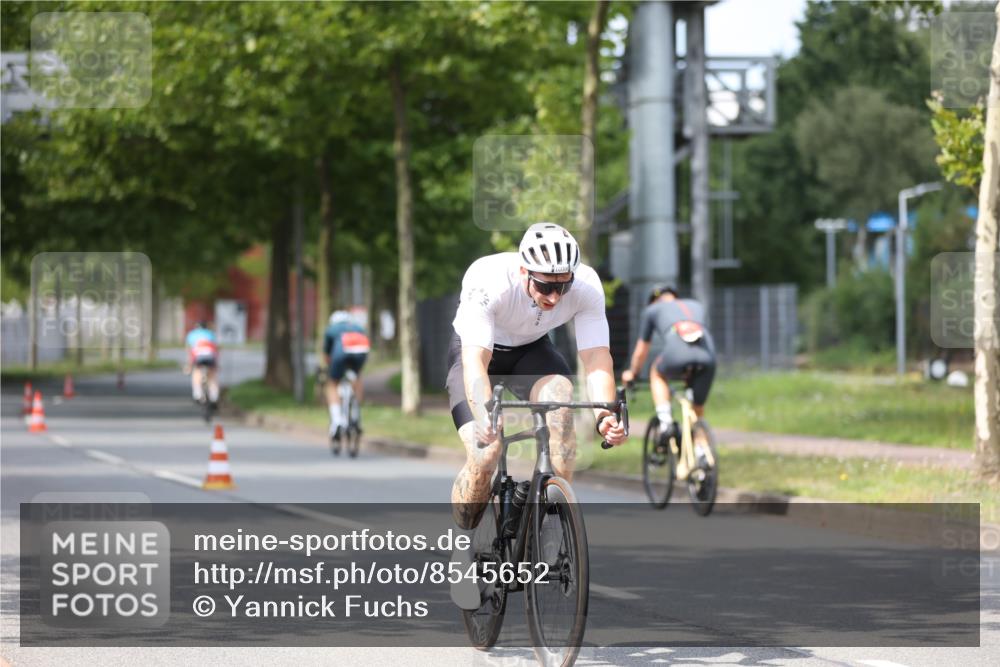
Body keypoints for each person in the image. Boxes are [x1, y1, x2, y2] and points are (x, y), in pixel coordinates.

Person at [447, 222, 628, 609]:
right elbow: (476, 362)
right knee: (485, 453)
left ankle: (549, 522)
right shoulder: (488, 280)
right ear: (523, 272)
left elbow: (597, 358)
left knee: (562, 403)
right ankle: (462, 553)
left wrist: (604, 415)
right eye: (545, 286)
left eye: (561, 287)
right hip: (479, 353)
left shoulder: (586, 286)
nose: (553, 297)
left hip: (531, 351)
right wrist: (484, 416)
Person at [621, 285, 717, 445]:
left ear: (653, 301)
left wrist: (633, 372)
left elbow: (641, 350)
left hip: (677, 354)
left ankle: (665, 422)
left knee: (657, 371)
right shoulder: (696, 305)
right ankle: (703, 455)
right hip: (708, 357)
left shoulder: (652, 310)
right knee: (697, 411)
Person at [323, 309, 370, 443]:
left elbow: (327, 356)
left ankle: (337, 421)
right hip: (360, 352)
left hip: (340, 352)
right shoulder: (358, 328)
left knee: (332, 384)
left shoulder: (331, 329)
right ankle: (356, 413)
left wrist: (331, 370)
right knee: (357, 378)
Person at [184, 320, 220, 408]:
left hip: (198, 356)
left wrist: (189, 365)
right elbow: (216, 349)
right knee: (212, 376)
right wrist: (217, 364)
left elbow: (190, 351)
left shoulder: (191, 334)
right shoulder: (211, 334)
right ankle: (214, 397)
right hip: (211, 355)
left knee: (196, 373)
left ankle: (198, 394)